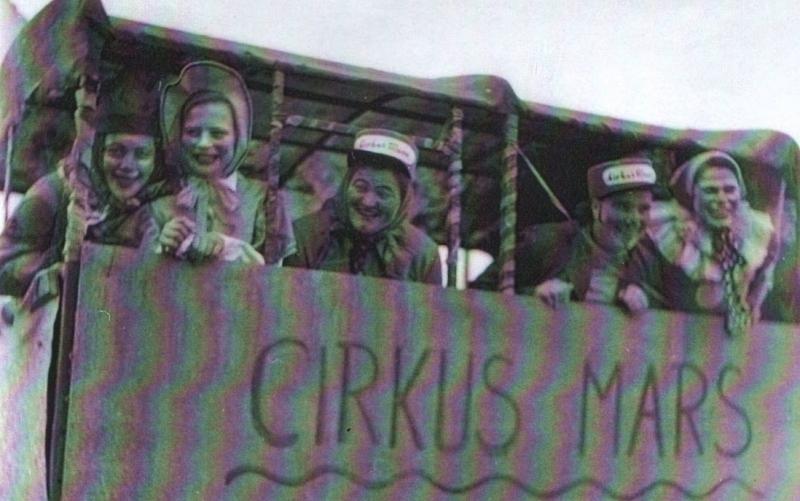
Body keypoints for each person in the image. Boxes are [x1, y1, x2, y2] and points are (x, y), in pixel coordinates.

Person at [0, 78, 168, 300]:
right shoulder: (55, 192)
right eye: (116, 151)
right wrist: (53, 269)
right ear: (97, 153)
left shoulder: (163, 201)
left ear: (156, 160)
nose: (128, 166)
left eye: (142, 155)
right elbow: (4, 266)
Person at [619, 150, 776, 334]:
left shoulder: (756, 233)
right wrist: (633, 290)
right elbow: (637, 272)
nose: (722, 199)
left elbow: (765, 279)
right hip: (672, 333)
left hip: (732, 339)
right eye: (711, 190)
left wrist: (755, 302)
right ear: (692, 194)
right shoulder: (666, 233)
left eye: (729, 190)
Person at [152, 61, 294, 264]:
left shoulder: (266, 200)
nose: (203, 143)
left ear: (238, 137)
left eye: (217, 133)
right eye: (193, 132)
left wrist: (228, 248)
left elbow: (277, 276)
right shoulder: (160, 196)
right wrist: (162, 247)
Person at [471, 157, 659, 308]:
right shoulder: (547, 241)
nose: (634, 219)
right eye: (623, 207)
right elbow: (475, 294)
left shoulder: (650, 262)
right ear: (596, 208)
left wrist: (648, 304)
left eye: (643, 209)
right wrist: (533, 297)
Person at [284, 128, 442, 285]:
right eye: (360, 187)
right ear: (346, 185)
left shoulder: (424, 255)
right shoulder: (305, 235)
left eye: (383, 193)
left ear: (402, 200)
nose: (368, 202)